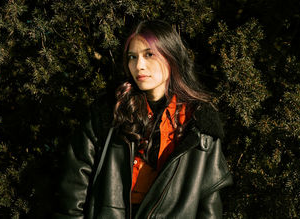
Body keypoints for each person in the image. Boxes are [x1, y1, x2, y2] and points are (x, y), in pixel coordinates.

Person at [54, 20, 232, 218]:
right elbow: (74, 191)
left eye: (149, 54)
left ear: (171, 56)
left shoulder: (200, 125)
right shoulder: (108, 114)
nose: (139, 65)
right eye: (132, 57)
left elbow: (209, 205)